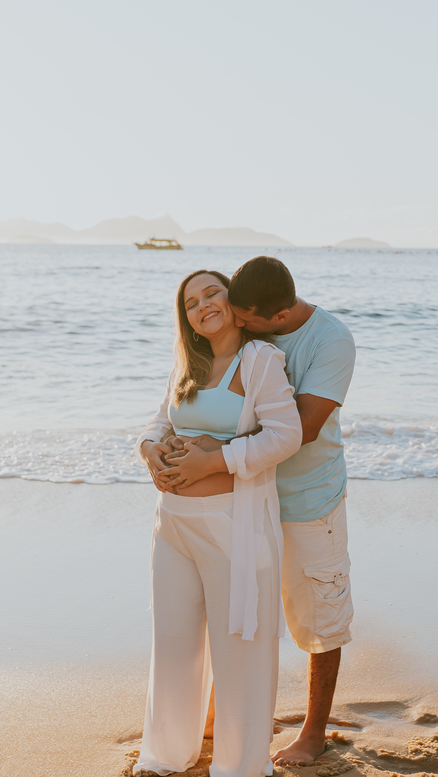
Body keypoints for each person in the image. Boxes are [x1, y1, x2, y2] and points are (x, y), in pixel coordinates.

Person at [133, 269, 302, 777]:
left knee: (240, 653)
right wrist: (149, 448)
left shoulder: (260, 361)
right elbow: (161, 420)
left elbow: (285, 435)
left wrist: (214, 460)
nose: (203, 305)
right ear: (185, 319)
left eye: (212, 294)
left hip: (233, 527)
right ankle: (166, 756)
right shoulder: (189, 363)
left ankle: (240, 768)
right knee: (174, 645)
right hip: (174, 525)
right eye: (190, 303)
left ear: (234, 302)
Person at [227, 256, 357, 768]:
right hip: (246, 495)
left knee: (320, 617)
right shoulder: (249, 328)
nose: (237, 326)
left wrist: (217, 455)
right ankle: (231, 712)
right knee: (241, 608)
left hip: (310, 499)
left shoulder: (331, 341)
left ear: (278, 317)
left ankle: (314, 731)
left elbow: (300, 428)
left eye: (246, 319)